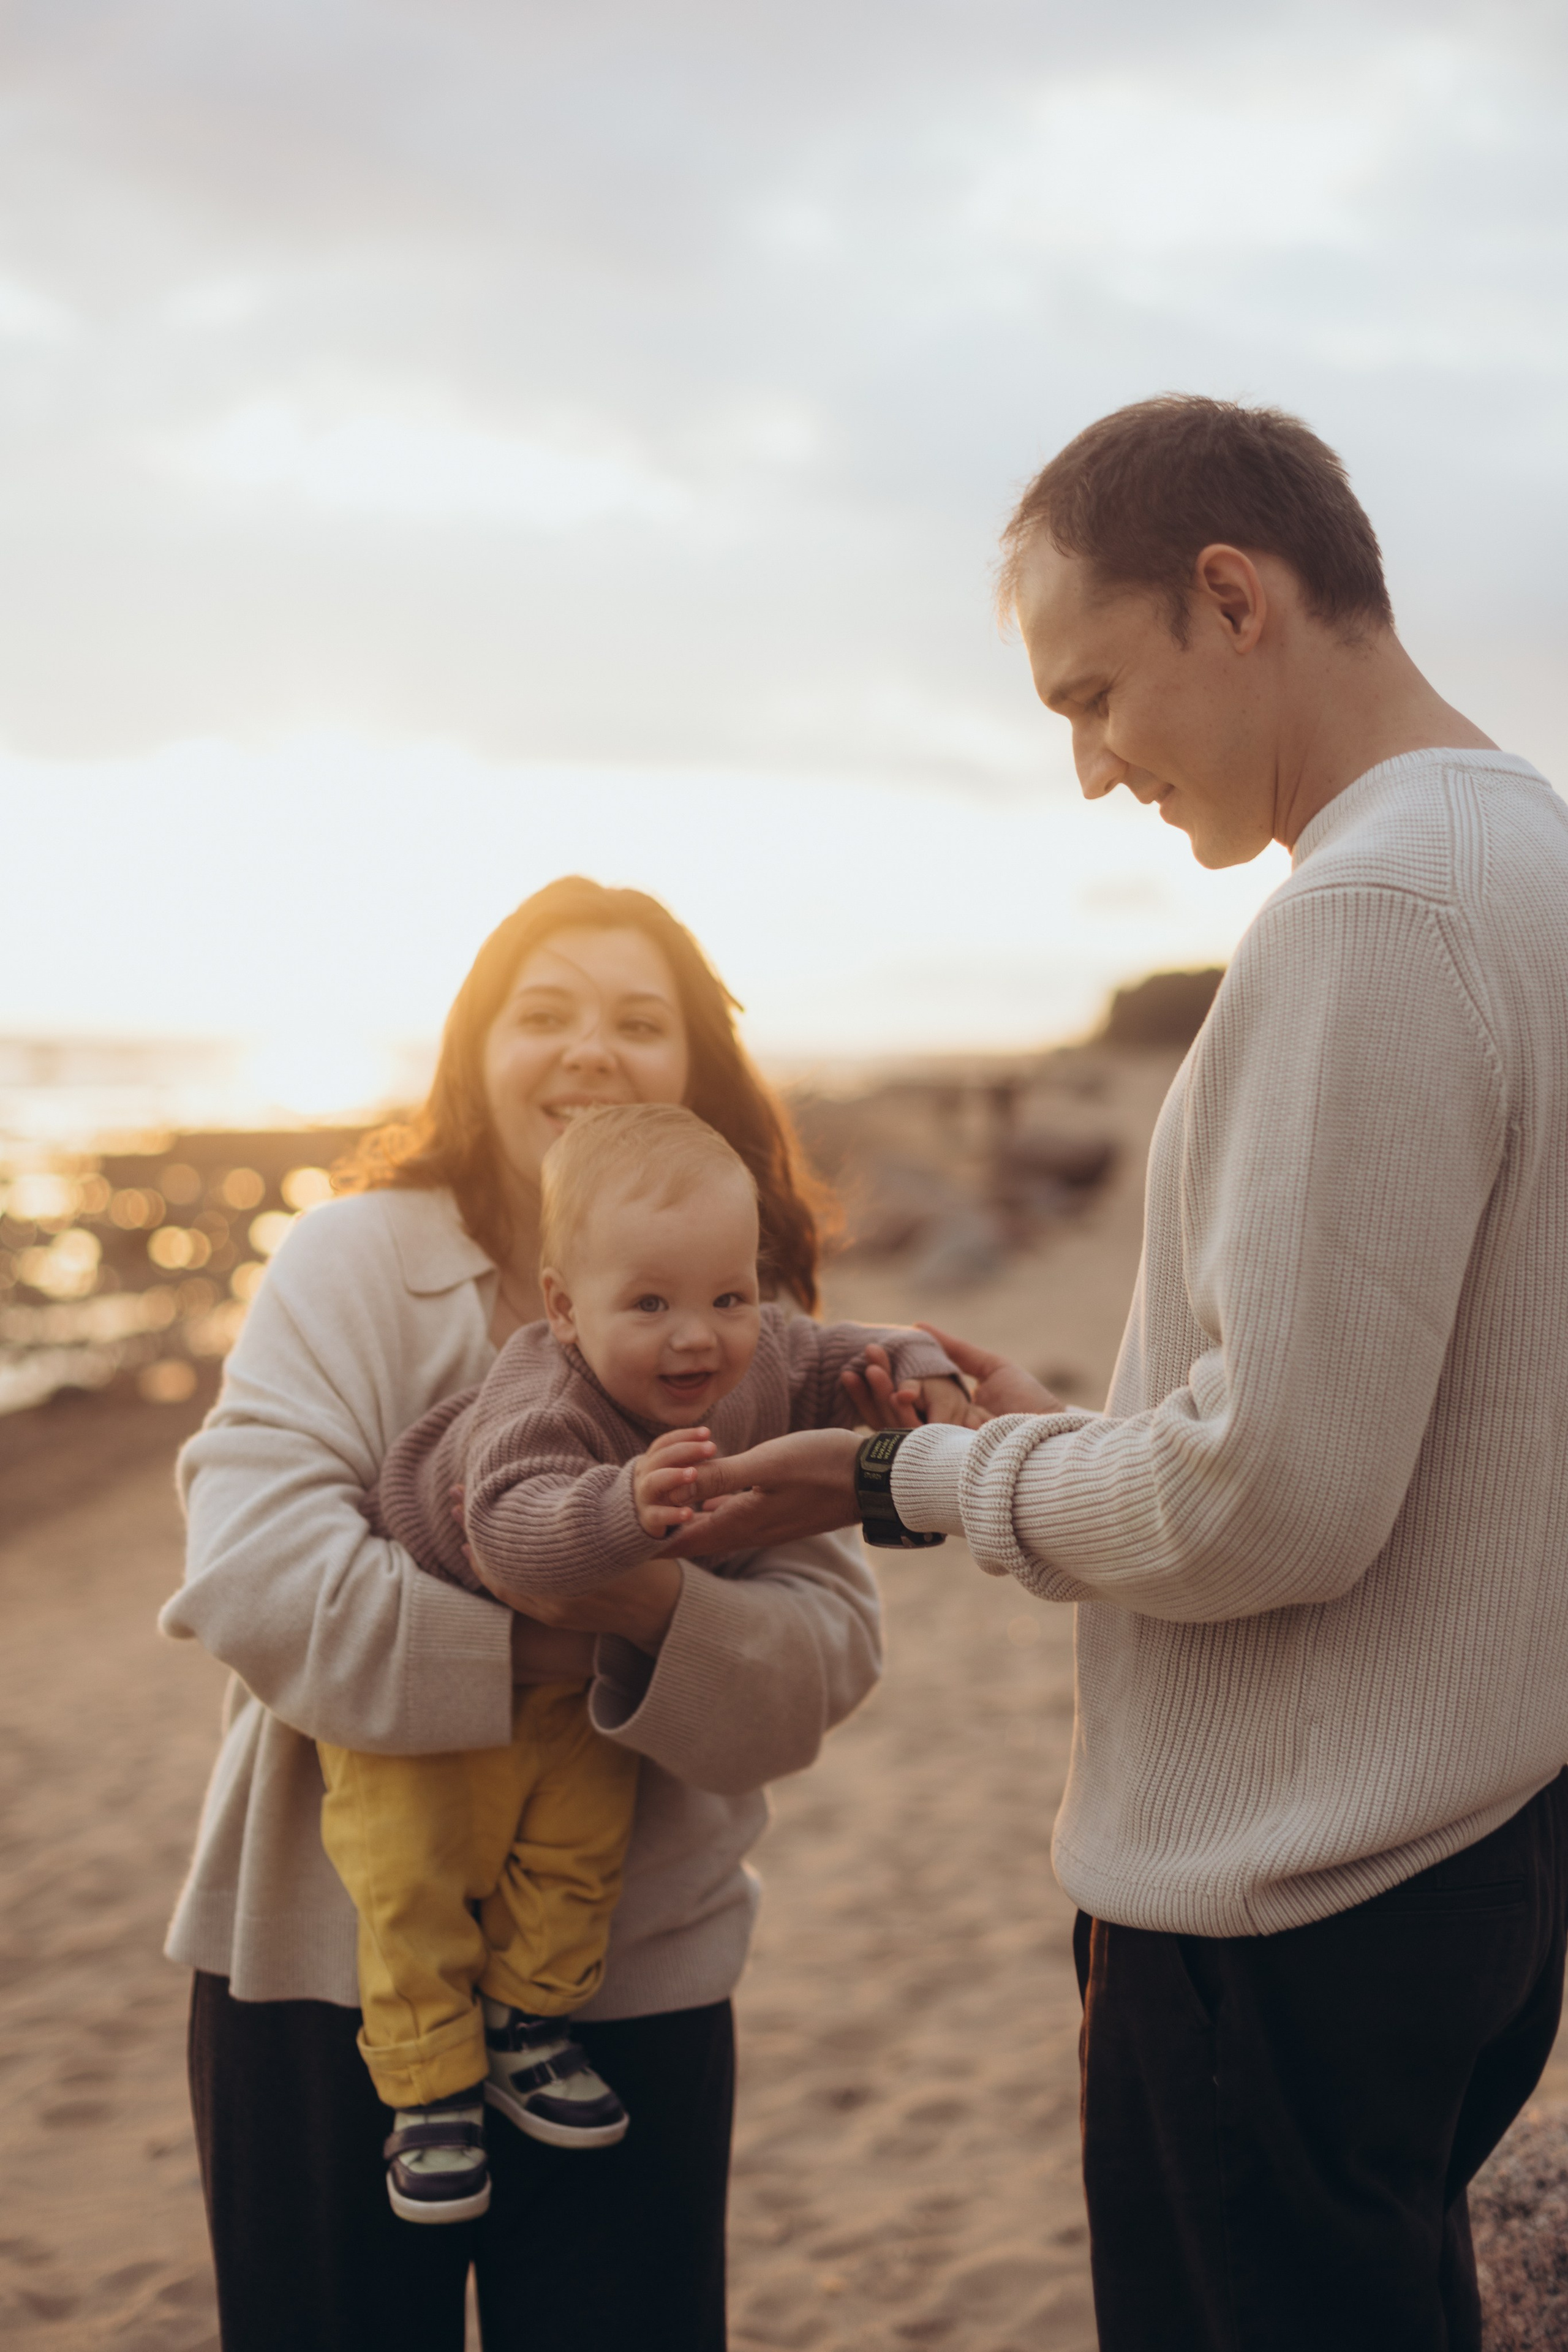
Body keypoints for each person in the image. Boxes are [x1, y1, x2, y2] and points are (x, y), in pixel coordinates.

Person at [675, 398, 1568, 2351]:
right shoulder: (1530, 854)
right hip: (1479, 1851)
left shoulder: (1369, 915)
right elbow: (1444, 1397)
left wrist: (902, 1484)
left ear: (1231, 599)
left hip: (1297, 1899)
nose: (1092, 772)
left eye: (1094, 693)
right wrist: (1078, 1425)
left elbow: (1276, 1501)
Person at [160, 875, 892, 2352]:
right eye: (541, 1014)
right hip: (320, 1968)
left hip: (635, 1988)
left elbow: (823, 1659)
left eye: (639, 1021)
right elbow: (248, 1575)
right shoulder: (353, 1259)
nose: (587, 1052)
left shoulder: (731, 1306)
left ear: (691, 1069)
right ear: (472, 1052)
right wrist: (585, 1628)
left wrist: (637, 1605)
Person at [325, 1101, 960, 2221]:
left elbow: (847, 1347)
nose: (697, 1337)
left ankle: (526, 2027)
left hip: (574, 1686)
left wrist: (919, 1371)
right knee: (412, 1878)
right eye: (651, 1303)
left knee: (579, 1853)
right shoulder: (540, 1393)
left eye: (727, 1295)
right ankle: (429, 2092)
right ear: (566, 1310)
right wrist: (624, 1503)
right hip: (440, 1656)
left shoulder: (752, 1354)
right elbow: (509, 1531)